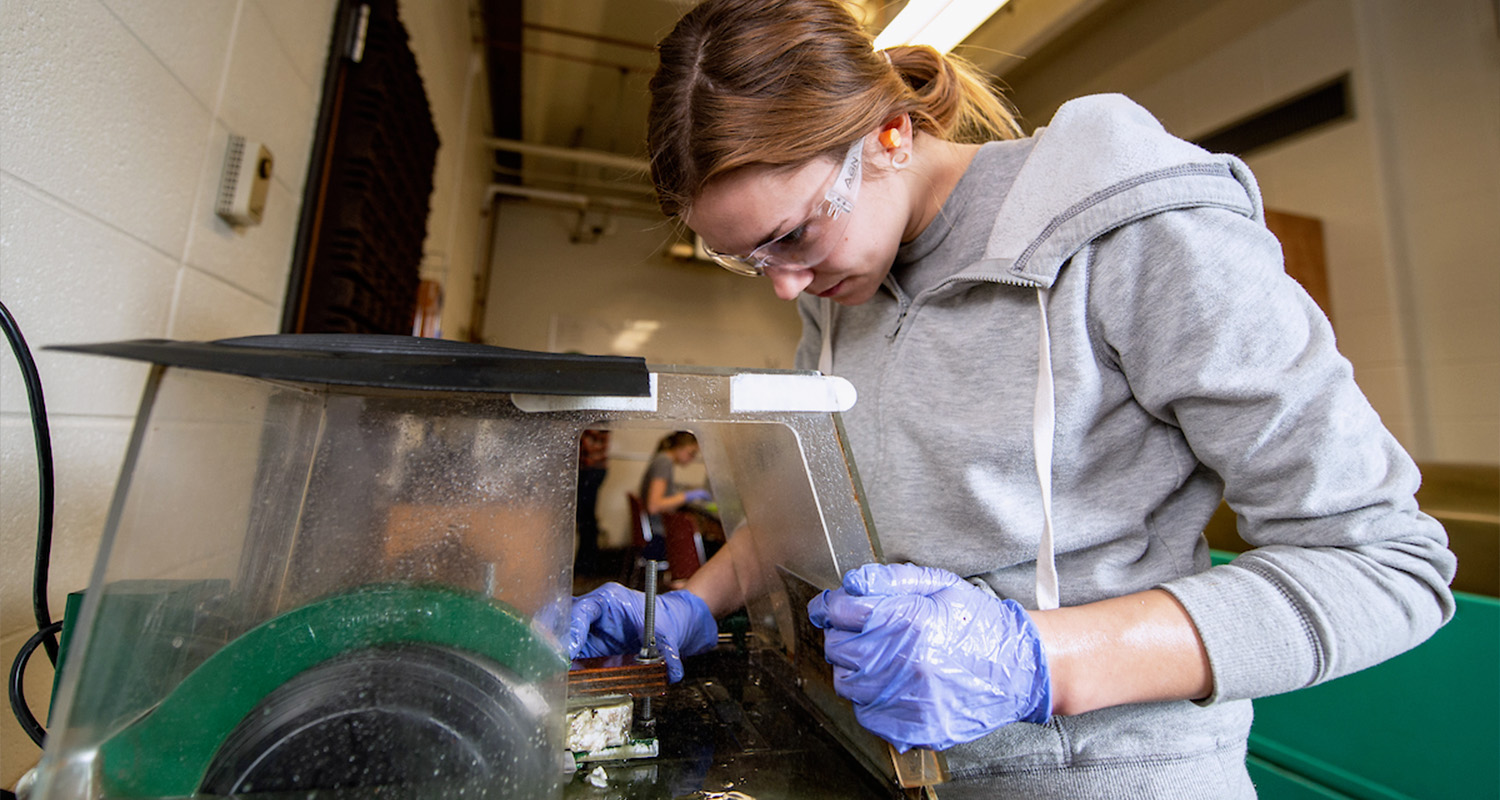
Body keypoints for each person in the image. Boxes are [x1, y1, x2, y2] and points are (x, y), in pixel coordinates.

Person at [567, 0, 1457, 795]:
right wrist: (687, 602)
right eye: (749, 257)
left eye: (794, 234)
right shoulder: (845, 284)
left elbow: (1386, 566)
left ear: (888, 134)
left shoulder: (1140, 233)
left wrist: (1037, 661)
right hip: (888, 765)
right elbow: (827, 512)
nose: (785, 287)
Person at [639, 431, 711, 560]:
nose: (692, 458)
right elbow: (654, 506)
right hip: (658, 535)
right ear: (679, 447)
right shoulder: (664, 462)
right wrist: (687, 496)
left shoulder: (662, 459)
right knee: (709, 546)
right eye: (691, 453)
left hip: (653, 530)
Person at [574, 429, 610, 575]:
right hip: (590, 468)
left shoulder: (598, 421)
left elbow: (588, 446)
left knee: (586, 519)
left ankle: (586, 565)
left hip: (591, 469)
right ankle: (585, 564)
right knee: (585, 519)